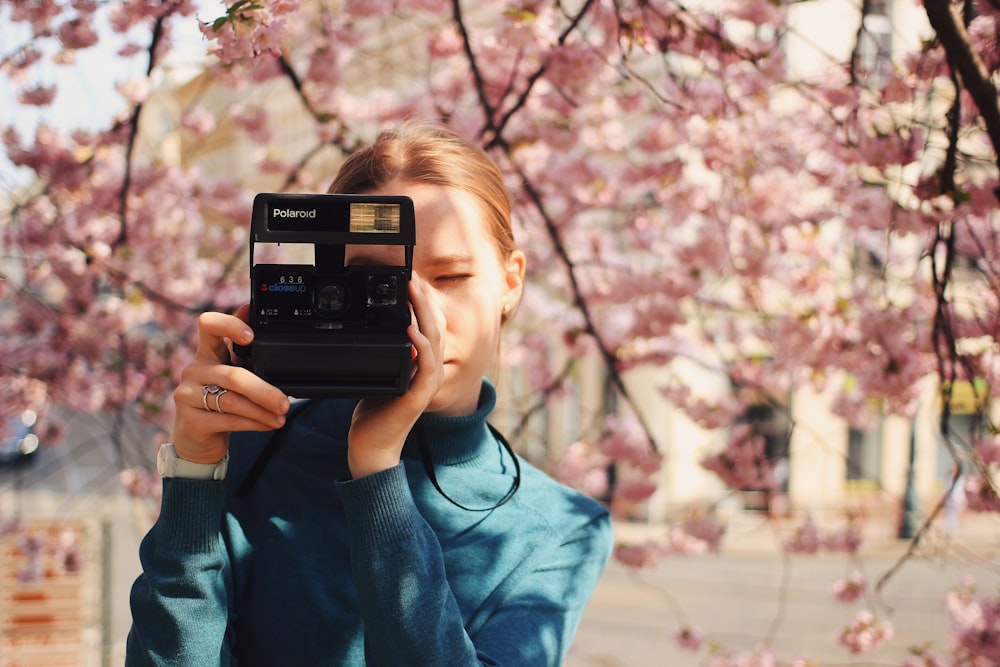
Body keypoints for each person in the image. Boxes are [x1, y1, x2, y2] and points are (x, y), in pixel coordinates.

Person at [126, 121, 613, 666]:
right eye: (377, 284)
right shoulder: (255, 447)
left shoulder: (559, 528)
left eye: (449, 277)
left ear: (510, 281)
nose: (417, 316)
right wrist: (194, 472)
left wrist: (377, 473)